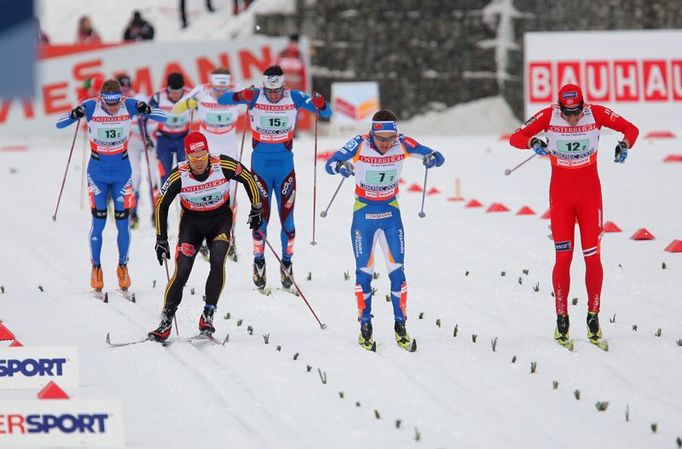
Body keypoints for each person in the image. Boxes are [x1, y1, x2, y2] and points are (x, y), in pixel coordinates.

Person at [509, 83, 639, 349]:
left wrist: (624, 145)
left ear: (583, 105)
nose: (572, 118)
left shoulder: (597, 113)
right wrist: (533, 142)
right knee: (563, 257)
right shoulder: (548, 115)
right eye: (567, 113)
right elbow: (515, 138)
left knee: (592, 256)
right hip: (561, 198)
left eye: (576, 112)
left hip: (590, 196)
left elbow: (631, 129)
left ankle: (593, 317)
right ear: (560, 106)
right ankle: (562, 320)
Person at [324, 110, 445, 351]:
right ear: (372, 134)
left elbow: (437, 156)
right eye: (381, 139)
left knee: (398, 272)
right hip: (364, 216)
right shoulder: (359, 143)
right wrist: (341, 167)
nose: (386, 144)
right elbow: (330, 163)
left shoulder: (402, 143)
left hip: (391, 215)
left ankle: (401, 326)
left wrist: (432, 158)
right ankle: (365, 326)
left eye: (391, 138)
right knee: (364, 273)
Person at [217, 65, 331, 293]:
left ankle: (287, 262)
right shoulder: (255, 95)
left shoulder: (295, 96)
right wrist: (241, 95)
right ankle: (259, 261)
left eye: (277, 91)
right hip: (259, 168)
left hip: (285, 167)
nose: (274, 95)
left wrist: (320, 103)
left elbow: (327, 113)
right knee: (261, 220)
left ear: (283, 85)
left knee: (288, 222)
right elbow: (222, 100)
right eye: (270, 92)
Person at [149, 132, 265, 341]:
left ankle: (208, 314)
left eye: (203, 157)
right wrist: (161, 239)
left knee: (218, 260)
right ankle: (166, 319)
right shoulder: (179, 174)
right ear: (187, 157)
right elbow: (162, 203)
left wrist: (256, 208)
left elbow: (248, 177)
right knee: (183, 270)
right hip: (192, 223)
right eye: (195, 160)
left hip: (219, 220)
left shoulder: (222, 165)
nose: (200, 163)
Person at [56, 79, 166, 293]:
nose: (113, 107)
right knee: (99, 223)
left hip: (122, 172)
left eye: (116, 102)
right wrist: (74, 114)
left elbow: (164, 116)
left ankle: (123, 266)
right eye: (109, 103)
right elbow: (59, 123)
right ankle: (96, 268)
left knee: (123, 223)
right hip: (97, 172)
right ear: (101, 99)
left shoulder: (130, 104)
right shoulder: (91, 106)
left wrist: (147, 109)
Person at [173, 68, 243, 259]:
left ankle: (229, 236)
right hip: (207, 147)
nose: (220, 93)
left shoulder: (237, 89)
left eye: (224, 89)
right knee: (203, 191)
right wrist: (190, 103)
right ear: (211, 85)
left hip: (228, 146)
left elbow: (254, 103)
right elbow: (177, 108)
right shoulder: (201, 90)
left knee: (231, 195)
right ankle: (201, 239)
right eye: (217, 89)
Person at [115, 72, 158, 228]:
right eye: (122, 88)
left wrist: (148, 133)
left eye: (127, 87)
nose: (125, 91)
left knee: (153, 176)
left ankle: (156, 213)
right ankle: (133, 213)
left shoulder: (140, 97)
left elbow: (151, 117)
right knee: (134, 176)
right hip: (132, 141)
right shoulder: (114, 104)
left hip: (149, 141)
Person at [148, 72, 192, 186]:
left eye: (179, 91)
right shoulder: (158, 97)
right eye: (173, 92)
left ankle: (186, 201)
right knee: (165, 176)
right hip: (164, 139)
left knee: (185, 174)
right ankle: (164, 202)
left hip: (183, 139)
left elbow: (203, 105)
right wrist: (147, 136)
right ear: (168, 88)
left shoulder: (190, 95)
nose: (176, 95)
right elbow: (144, 115)